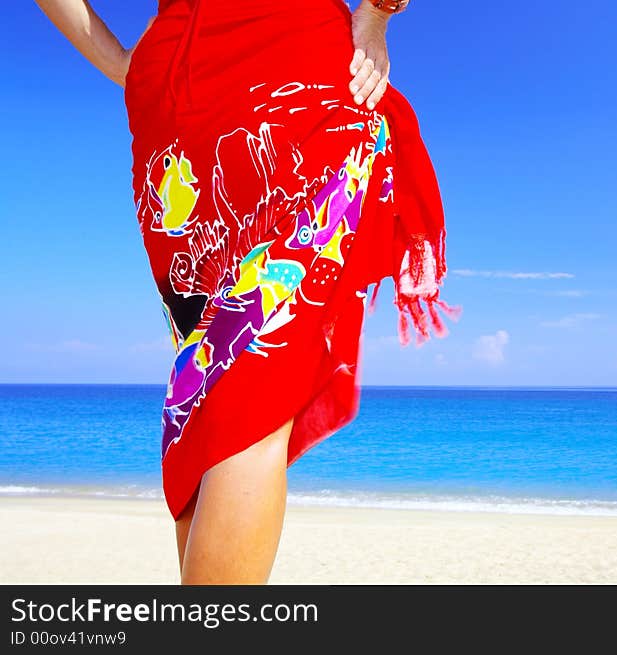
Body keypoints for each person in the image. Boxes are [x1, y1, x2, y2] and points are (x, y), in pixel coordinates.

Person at [33, 0, 460, 584]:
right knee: (249, 395)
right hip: (292, 61)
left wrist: (124, 62)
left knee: (209, 382)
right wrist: (377, 15)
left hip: (173, 96)